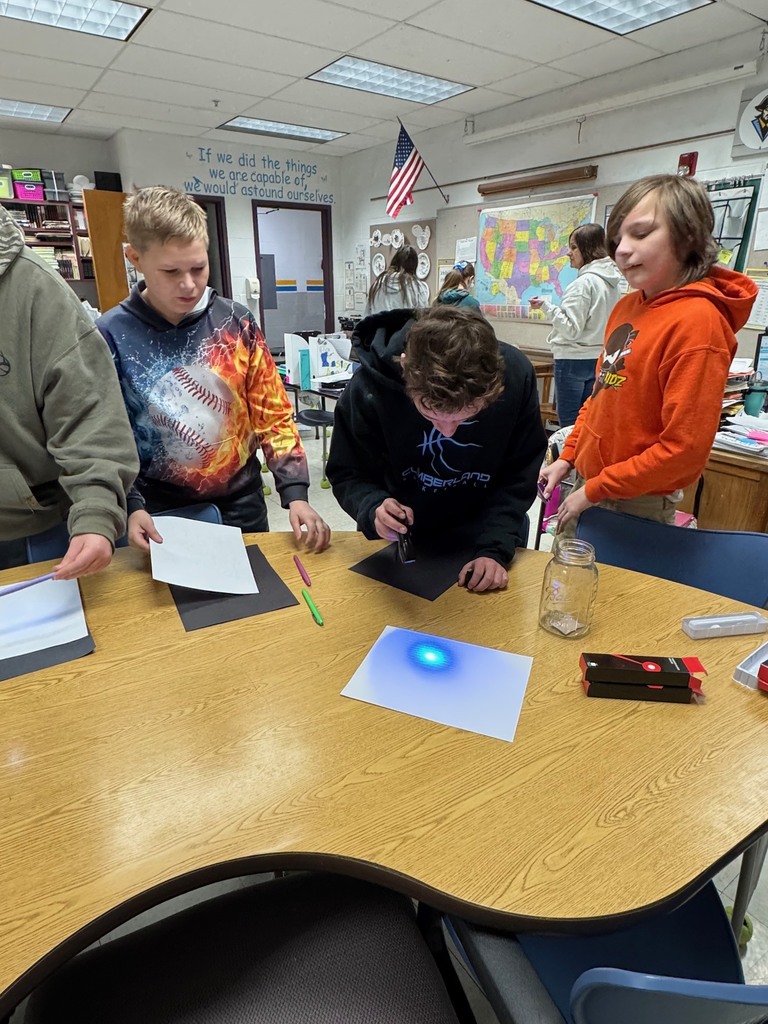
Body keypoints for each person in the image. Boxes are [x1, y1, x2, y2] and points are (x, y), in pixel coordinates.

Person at [97, 186, 330, 552]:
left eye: (198, 267)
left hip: (241, 503)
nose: (189, 284)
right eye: (171, 271)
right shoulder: (111, 334)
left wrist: (295, 493)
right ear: (135, 258)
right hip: (157, 511)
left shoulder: (236, 322)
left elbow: (272, 413)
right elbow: (109, 435)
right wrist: (132, 504)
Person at [539, 174, 758, 532]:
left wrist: (596, 489)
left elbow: (683, 452)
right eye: (617, 239)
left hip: (636, 502)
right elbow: (600, 399)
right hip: (592, 486)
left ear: (688, 236)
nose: (621, 250)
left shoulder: (698, 322)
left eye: (640, 234)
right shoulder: (627, 307)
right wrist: (569, 457)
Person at [326, 305, 547, 592]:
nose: (448, 431)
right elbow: (348, 471)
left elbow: (518, 475)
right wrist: (372, 507)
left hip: (483, 536)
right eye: (431, 415)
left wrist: (495, 548)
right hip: (398, 544)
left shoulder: (516, 377)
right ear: (405, 369)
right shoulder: (369, 388)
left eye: (466, 416)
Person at [0, 204, 138, 579]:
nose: (188, 284)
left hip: (24, 527)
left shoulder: (35, 290)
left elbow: (91, 417)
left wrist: (97, 511)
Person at [529, 224, 622, 427]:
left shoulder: (583, 284)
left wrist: (546, 307)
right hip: (598, 358)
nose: (568, 253)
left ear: (588, 249)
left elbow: (571, 330)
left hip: (572, 360)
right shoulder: (613, 284)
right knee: (586, 422)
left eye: (574, 247)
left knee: (569, 425)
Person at [364, 245, 429, 314]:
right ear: (414, 266)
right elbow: (423, 317)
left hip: (378, 321)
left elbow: (366, 316)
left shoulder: (377, 285)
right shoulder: (418, 287)